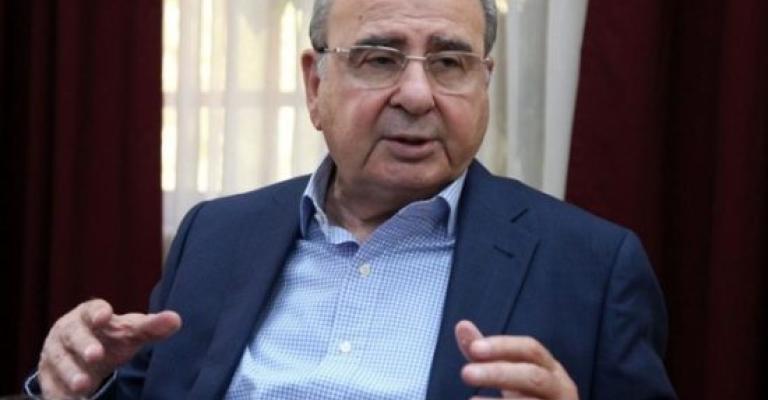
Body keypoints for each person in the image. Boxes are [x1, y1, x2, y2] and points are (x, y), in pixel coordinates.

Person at [28, 0, 677, 398]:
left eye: (450, 62)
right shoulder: (216, 234)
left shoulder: (592, 266)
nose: (417, 96)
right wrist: (80, 385)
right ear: (316, 86)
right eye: (379, 58)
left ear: (484, 84)